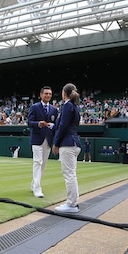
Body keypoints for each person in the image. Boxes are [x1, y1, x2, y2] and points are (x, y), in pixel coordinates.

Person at [52, 83, 82, 214]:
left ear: (64, 93)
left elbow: (63, 126)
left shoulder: (67, 106)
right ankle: (72, 202)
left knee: (69, 175)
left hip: (67, 144)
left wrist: (56, 143)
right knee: (72, 174)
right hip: (74, 143)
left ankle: (71, 204)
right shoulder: (74, 106)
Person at [27, 86, 58, 198]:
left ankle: (34, 184)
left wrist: (52, 125)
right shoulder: (35, 107)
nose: (48, 95)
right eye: (46, 93)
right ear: (41, 95)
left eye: (50, 94)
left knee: (43, 164)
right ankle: (37, 188)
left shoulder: (54, 109)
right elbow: (29, 122)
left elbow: (57, 125)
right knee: (37, 162)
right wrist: (38, 124)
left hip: (48, 139)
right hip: (37, 139)